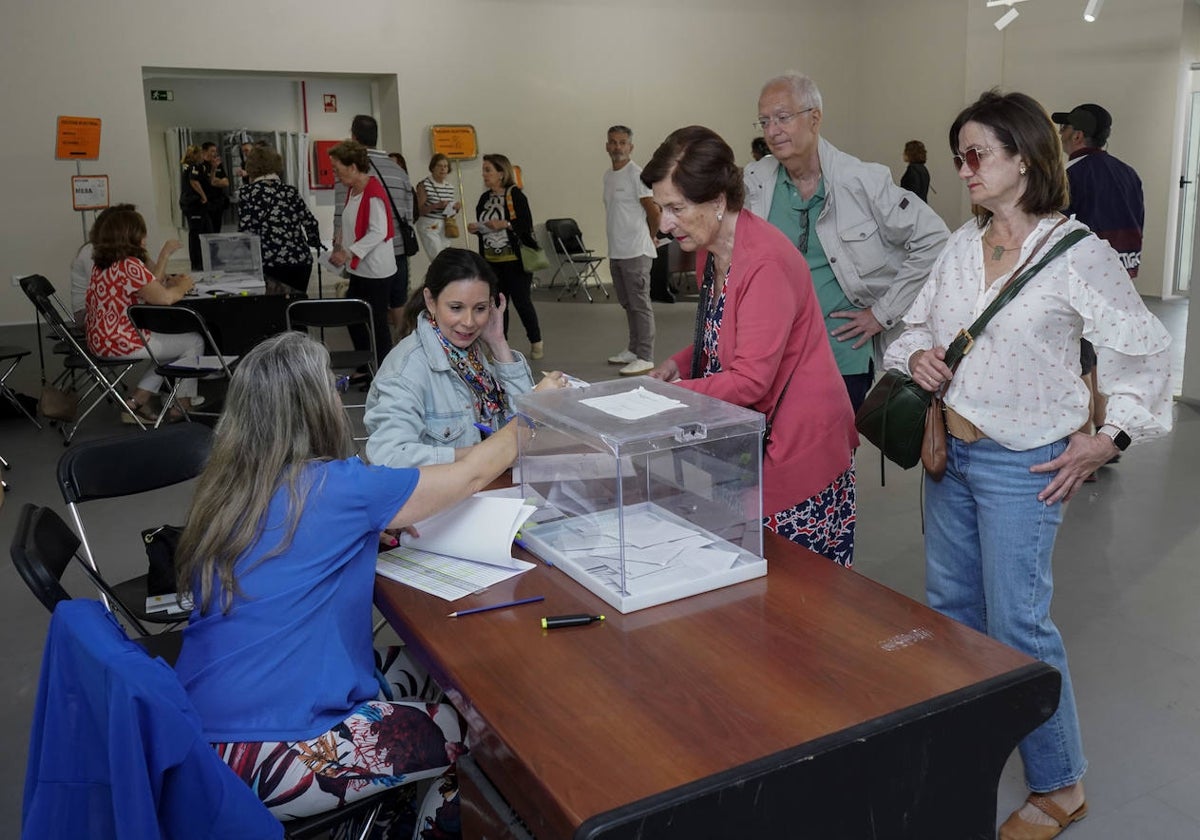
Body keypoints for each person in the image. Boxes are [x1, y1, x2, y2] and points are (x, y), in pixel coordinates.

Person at [882, 90, 1172, 840]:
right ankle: (967, 744)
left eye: (977, 154)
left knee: (1017, 624)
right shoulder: (957, 246)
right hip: (951, 453)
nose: (963, 168)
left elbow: (1143, 350)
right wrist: (914, 352)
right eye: (959, 156)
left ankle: (1061, 782)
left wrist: (1112, 436)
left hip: (1026, 465)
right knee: (950, 611)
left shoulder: (1077, 254)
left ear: (1023, 158)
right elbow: (916, 326)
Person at [172, 331, 546, 822]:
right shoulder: (338, 487)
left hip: (201, 730)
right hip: (279, 749)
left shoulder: (229, 488)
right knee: (483, 734)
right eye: (334, 385)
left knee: (430, 672)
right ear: (315, 407)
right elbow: (473, 474)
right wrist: (527, 417)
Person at [643, 126, 858, 566]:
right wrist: (678, 365)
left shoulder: (765, 262)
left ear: (718, 201)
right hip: (744, 447)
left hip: (795, 448)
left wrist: (661, 397)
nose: (664, 224)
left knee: (795, 595)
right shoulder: (715, 248)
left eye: (675, 208)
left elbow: (750, 381)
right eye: (660, 208)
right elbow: (728, 333)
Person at [744, 72, 950, 412]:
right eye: (764, 121)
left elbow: (934, 238)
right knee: (774, 457)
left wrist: (882, 313)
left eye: (782, 118)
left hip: (841, 357)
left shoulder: (862, 180)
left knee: (832, 458)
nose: (772, 131)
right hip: (770, 353)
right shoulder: (756, 182)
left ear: (814, 118)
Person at [366, 248, 567, 468]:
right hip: (446, 496)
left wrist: (499, 343)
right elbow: (391, 456)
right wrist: (486, 453)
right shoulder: (406, 370)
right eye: (456, 308)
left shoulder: (470, 354)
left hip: (491, 484)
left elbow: (526, 430)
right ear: (431, 301)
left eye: (480, 308)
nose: (469, 322)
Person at [1053, 103, 1145, 445]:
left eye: (1064, 129)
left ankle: (1084, 444)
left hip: (1079, 284)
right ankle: (1105, 425)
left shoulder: (1070, 176)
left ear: (1077, 135)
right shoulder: (1128, 173)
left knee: (1077, 364)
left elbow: (1057, 233)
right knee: (1097, 358)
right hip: (1120, 279)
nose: (1060, 134)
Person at [84, 205, 200, 423]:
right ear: (129, 235)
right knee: (193, 341)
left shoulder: (103, 264)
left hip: (99, 339)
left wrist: (169, 285)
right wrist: (183, 286)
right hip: (119, 340)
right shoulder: (129, 264)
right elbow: (164, 299)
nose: (145, 237)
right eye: (141, 232)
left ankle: (136, 401)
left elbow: (151, 288)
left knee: (167, 351)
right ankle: (181, 405)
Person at [334, 115, 415, 346]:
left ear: (354, 136)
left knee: (375, 317)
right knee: (397, 306)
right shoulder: (399, 171)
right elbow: (409, 214)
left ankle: (386, 364)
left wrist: (342, 247)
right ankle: (402, 356)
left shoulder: (353, 176)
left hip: (371, 257)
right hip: (395, 251)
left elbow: (342, 215)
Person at [328, 140, 399, 373]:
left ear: (353, 167)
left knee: (377, 323)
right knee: (354, 317)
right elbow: (350, 220)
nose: (336, 174)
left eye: (338, 169)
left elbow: (379, 231)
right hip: (360, 268)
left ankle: (383, 372)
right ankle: (366, 365)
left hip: (376, 270)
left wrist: (348, 252)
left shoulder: (373, 192)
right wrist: (340, 238)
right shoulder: (353, 189)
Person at [468, 153, 545, 360]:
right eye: (483, 170)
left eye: (488, 170)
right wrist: (478, 228)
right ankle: (499, 344)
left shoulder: (516, 196)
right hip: (491, 262)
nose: (484, 175)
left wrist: (505, 224)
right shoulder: (484, 199)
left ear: (501, 173)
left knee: (521, 301)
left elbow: (525, 225)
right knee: (497, 306)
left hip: (516, 261)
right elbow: (483, 222)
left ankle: (536, 341)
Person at [603, 125, 661, 376]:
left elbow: (654, 211)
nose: (618, 147)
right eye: (613, 142)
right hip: (617, 251)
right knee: (628, 304)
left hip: (636, 251)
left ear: (631, 147)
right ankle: (633, 349)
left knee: (640, 305)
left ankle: (645, 356)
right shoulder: (608, 175)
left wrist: (650, 236)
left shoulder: (636, 175)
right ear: (607, 146)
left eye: (622, 143)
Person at [237, 146, 320, 295]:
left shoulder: (247, 193)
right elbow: (310, 222)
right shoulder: (290, 191)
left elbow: (246, 230)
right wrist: (314, 241)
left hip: (269, 263)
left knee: (273, 310)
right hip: (300, 261)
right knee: (295, 307)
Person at [416, 153, 462, 259]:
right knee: (437, 257)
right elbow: (418, 210)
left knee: (446, 257)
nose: (443, 169)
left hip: (444, 225)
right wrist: (436, 205)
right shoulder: (424, 185)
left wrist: (455, 208)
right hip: (429, 224)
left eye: (445, 166)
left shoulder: (449, 187)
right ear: (433, 167)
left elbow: (448, 213)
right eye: (439, 166)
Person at [179, 145, 210, 270]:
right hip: (193, 204)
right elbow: (194, 182)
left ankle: (201, 262)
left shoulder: (186, 167)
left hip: (190, 203)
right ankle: (197, 264)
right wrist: (204, 196)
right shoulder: (194, 167)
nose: (203, 156)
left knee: (204, 230)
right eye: (201, 154)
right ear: (196, 155)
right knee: (196, 234)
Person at [200, 142, 229, 234]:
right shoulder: (200, 165)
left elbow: (226, 183)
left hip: (218, 203)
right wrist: (215, 180)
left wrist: (215, 181)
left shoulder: (218, 165)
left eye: (215, 151)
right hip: (206, 204)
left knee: (217, 231)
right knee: (208, 231)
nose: (214, 153)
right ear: (204, 151)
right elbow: (209, 182)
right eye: (212, 151)